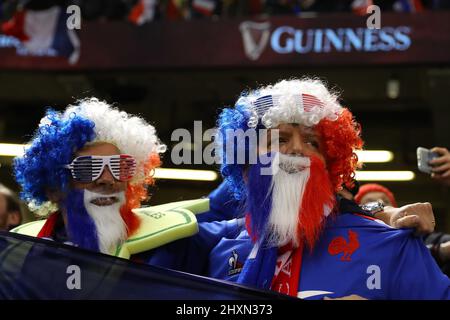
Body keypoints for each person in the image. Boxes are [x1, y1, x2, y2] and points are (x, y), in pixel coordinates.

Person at [148, 78, 450, 299]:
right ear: (246, 164)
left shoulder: (391, 245)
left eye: (312, 142)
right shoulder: (214, 247)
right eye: (280, 139)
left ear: (331, 167)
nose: (296, 151)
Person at [11, 98, 198, 258]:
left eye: (120, 167)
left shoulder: (170, 246)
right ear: (53, 189)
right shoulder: (20, 251)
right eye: (87, 168)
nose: (108, 180)